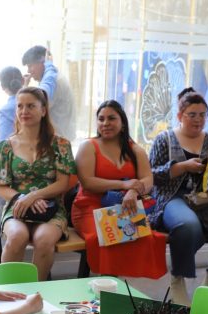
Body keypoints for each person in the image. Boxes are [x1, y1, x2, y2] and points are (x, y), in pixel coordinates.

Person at [149, 88, 208, 305]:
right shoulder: (164, 139)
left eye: (202, 115)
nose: (198, 119)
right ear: (180, 116)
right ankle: (178, 279)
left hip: (206, 197)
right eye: (192, 114)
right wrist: (183, 166)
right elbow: (152, 175)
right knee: (188, 225)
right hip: (173, 197)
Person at [71, 100, 167, 278]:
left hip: (124, 207)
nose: (105, 123)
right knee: (109, 236)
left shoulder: (135, 149)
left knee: (146, 237)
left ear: (122, 123)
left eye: (111, 118)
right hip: (90, 207)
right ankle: (105, 285)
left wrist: (133, 191)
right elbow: (87, 182)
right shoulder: (88, 146)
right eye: (101, 119)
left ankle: (112, 284)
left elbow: (148, 180)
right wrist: (124, 185)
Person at [0, 86, 76, 280]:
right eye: (19, 106)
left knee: (44, 240)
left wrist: (34, 196)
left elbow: (62, 184)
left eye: (30, 106)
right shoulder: (5, 147)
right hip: (17, 206)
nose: (24, 111)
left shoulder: (61, 145)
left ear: (43, 110)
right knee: (16, 237)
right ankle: (7, 291)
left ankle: (36, 290)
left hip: (51, 208)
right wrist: (23, 198)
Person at [0, 66, 24, 245]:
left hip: (9, 174)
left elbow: (3, 144)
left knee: (1, 221)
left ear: (2, 87)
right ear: (22, 80)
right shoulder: (38, 103)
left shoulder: (7, 109)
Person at [21, 45, 76, 141]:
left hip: (57, 142)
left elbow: (35, 108)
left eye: (30, 66)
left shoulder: (55, 82)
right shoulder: (52, 78)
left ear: (43, 63)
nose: (28, 71)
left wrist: (25, 87)